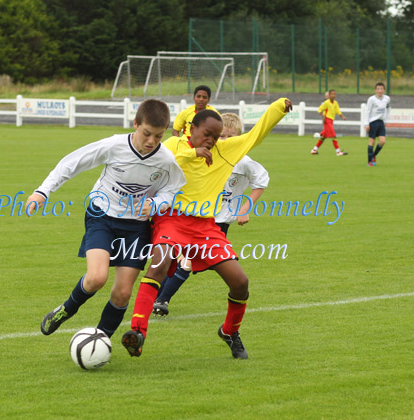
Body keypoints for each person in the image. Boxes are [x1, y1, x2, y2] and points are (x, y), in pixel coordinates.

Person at [121, 98, 292, 360]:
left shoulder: (226, 150)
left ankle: (229, 332)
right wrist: (194, 153)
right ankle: (137, 331)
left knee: (240, 282)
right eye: (207, 134)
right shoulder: (174, 145)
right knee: (160, 264)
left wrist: (278, 107)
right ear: (192, 130)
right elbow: (158, 159)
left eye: (216, 136)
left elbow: (257, 133)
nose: (212, 140)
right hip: (172, 219)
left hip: (206, 227)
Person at [25, 99, 186, 339]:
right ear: (135, 124)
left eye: (158, 136)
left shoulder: (165, 160)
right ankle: (65, 310)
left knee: (122, 293)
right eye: (146, 133)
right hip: (102, 216)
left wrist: (156, 203)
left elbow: (173, 190)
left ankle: (99, 341)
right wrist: (42, 191)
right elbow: (72, 163)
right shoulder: (114, 145)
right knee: (96, 278)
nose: (151, 141)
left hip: (137, 227)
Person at [152, 112, 270, 317]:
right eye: (221, 136)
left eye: (230, 137)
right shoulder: (200, 155)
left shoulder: (242, 161)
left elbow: (261, 181)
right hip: (190, 219)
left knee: (182, 263)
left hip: (217, 225)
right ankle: (159, 299)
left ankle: (158, 299)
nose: (224, 141)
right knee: (178, 262)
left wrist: (245, 209)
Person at [311, 89, 347, 156]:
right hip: (327, 121)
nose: (334, 95)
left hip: (331, 121)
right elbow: (319, 110)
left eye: (335, 94)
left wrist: (343, 117)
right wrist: (324, 116)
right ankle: (338, 152)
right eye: (332, 94)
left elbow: (338, 111)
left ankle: (314, 150)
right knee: (334, 135)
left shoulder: (335, 103)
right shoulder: (326, 103)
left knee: (323, 137)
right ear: (329, 95)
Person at [364, 82, 391, 166]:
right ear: (375, 90)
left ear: (384, 90)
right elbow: (367, 111)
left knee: (382, 141)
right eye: (378, 89)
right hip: (373, 122)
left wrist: (385, 120)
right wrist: (366, 124)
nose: (380, 90)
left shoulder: (387, 98)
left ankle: (373, 156)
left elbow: (388, 109)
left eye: (381, 89)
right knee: (372, 142)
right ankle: (369, 162)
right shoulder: (371, 99)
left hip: (381, 122)